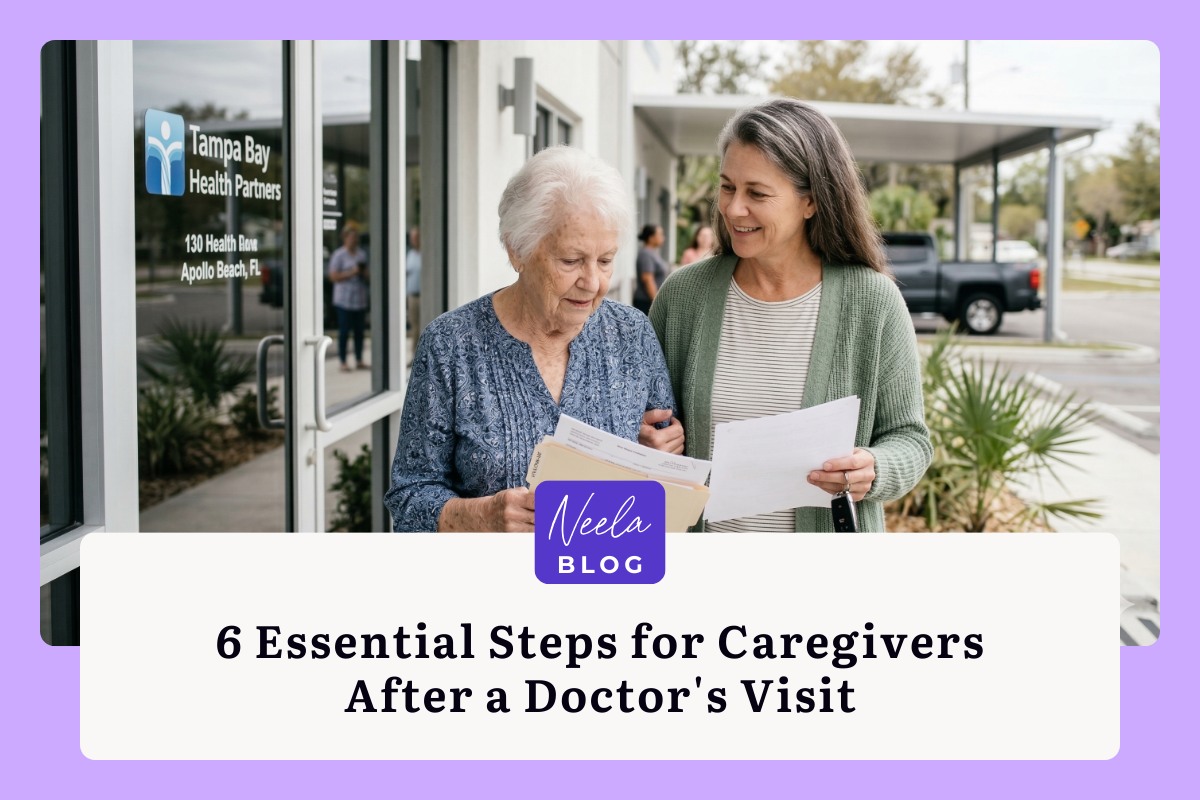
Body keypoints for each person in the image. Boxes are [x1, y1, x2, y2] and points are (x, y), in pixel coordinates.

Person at [641, 98, 931, 533]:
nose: (734, 208)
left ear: (810, 202)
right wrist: (650, 441)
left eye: (756, 193)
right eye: (727, 187)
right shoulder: (684, 296)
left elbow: (911, 440)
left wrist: (872, 467)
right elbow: (643, 421)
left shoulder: (872, 301)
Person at [385, 146, 682, 532]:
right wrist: (480, 517)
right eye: (571, 261)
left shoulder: (632, 334)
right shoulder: (451, 344)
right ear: (518, 250)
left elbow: (671, 478)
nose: (592, 283)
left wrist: (657, 461)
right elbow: (409, 496)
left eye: (605, 260)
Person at [327, 223, 369, 371]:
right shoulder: (339, 255)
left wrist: (363, 272)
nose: (353, 240)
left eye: (355, 237)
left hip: (359, 299)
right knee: (344, 331)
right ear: (344, 238)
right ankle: (343, 361)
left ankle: (359, 359)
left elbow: (368, 276)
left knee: (359, 331)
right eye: (351, 237)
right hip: (343, 300)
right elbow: (333, 276)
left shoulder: (361, 254)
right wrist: (352, 272)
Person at [632, 224, 670, 315]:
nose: (663, 238)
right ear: (651, 237)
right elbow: (647, 279)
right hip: (646, 302)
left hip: (649, 301)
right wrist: (656, 303)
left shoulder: (652, 253)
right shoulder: (646, 254)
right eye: (660, 235)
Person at [405, 226, 422, 363]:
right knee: (414, 327)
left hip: (425, 296)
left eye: (416, 237)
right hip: (412, 296)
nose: (414, 240)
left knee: (424, 326)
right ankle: (414, 356)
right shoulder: (409, 254)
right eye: (412, 238)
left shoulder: (425, 255)